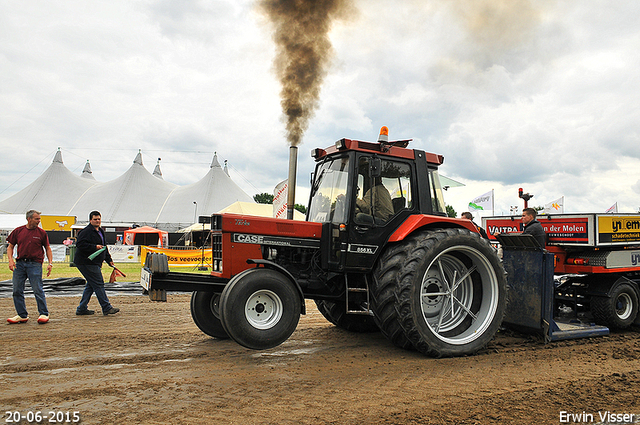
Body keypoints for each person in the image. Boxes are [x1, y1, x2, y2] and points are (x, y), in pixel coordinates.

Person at [6, 210, 53, 324]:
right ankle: (22, 315)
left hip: (35, 264)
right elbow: (10, 246)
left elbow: (47, 248)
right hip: (20, 264)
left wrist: (50, 263)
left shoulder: (41, 233)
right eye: (37, 219)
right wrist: (10, 260)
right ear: (29, 219)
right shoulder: (18, 231)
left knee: (37, 289)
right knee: (17, 290)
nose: (39, 221)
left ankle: (43, 313)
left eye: (39, 219)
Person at [74, 211, 120, 316]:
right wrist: (94, 247)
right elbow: (80, 245)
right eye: (95, 219)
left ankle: (81, 308)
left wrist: (109, 260)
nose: (97, 221)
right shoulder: (85, 232)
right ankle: (106, 307)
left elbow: (104, 247)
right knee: (99, 283)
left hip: (95, 262)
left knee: (91, 285)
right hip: (86, 262)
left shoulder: (101, 231)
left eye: (99, 219)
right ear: (90, 220)